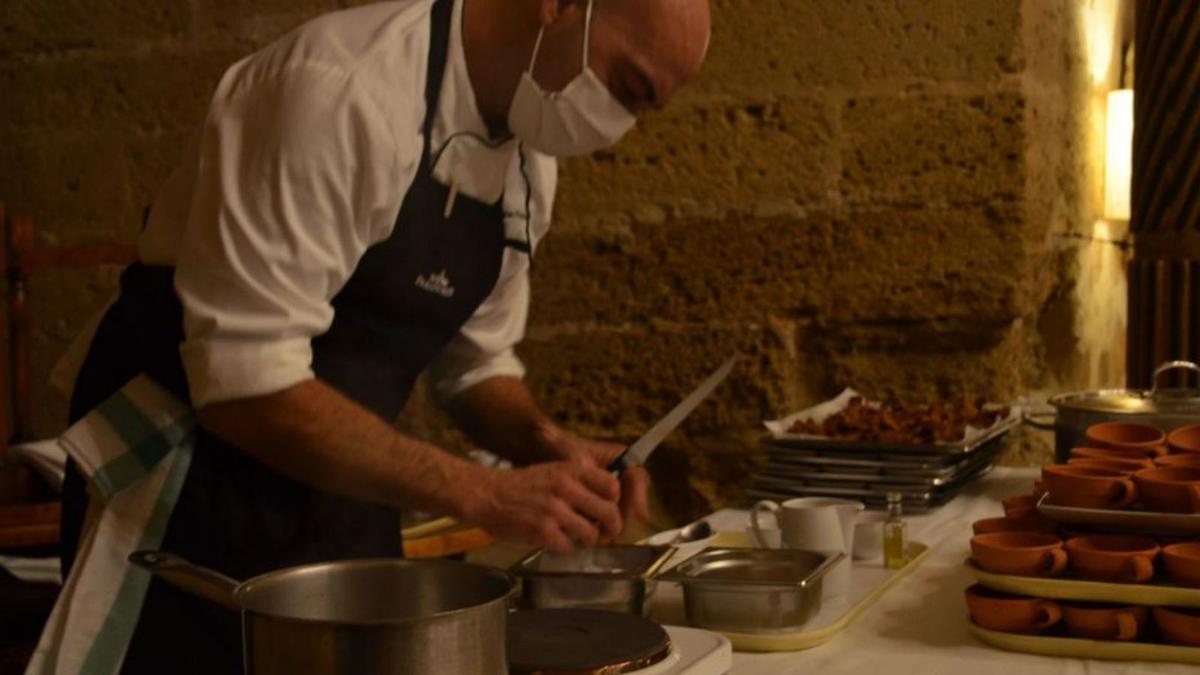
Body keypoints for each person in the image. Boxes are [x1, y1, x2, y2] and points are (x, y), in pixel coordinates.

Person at [53, 0, 711, 672]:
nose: (622, 126)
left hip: (343, 499)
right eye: (628, 89)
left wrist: (547, 447)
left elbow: (475, 365)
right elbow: (242, 385)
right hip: (184, 499)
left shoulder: (526, 162)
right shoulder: (342, 92)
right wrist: (478, 491)